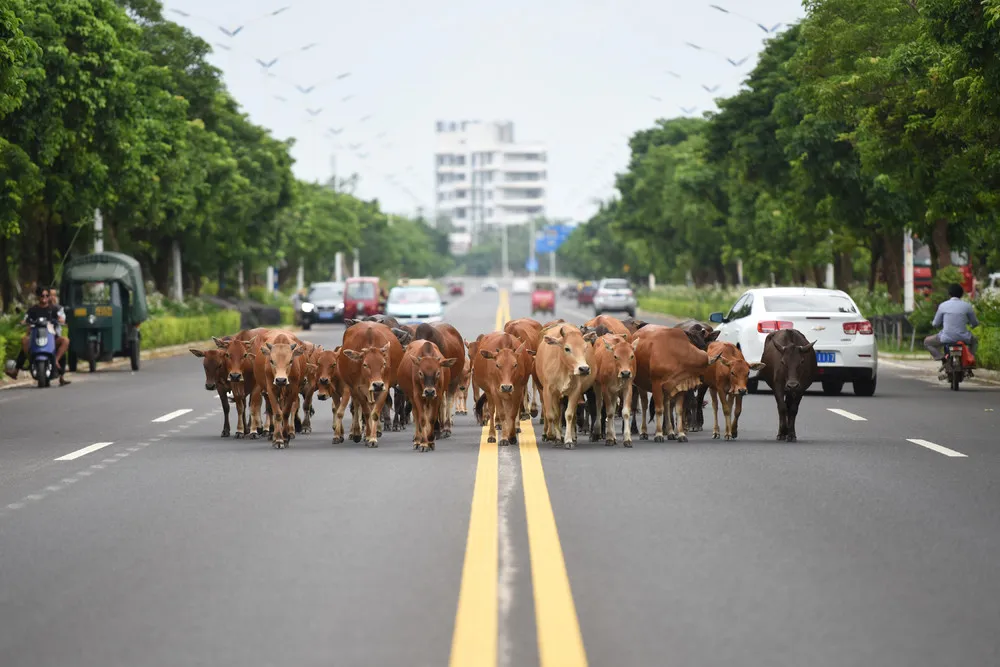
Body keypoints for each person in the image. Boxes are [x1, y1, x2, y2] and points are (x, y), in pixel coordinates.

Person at [5, 287, 71, 385]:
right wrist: (23, 322)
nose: (44, 298)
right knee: (24, 340)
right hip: (35, 337)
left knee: (65, 341)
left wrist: (60, 320)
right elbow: (25, 319)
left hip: (52, 338)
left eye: (46, 295)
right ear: (38, 297)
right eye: (42, 295)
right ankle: (18, 369)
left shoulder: (54, 308)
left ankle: (58, 368)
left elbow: (61, 318)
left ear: (49, 297)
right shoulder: (33, 310)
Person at [925, 283, 979, 368]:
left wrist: (937, 324)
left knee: (927, 342)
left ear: (949, 294)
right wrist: (971, 326)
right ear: (961, 294)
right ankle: (969, 359)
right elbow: (975, 323)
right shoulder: (967, 306)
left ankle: (941, 357)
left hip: (945, 338)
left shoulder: (943, 305)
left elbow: (935, 323)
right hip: (964, 337)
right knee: (975, 341)